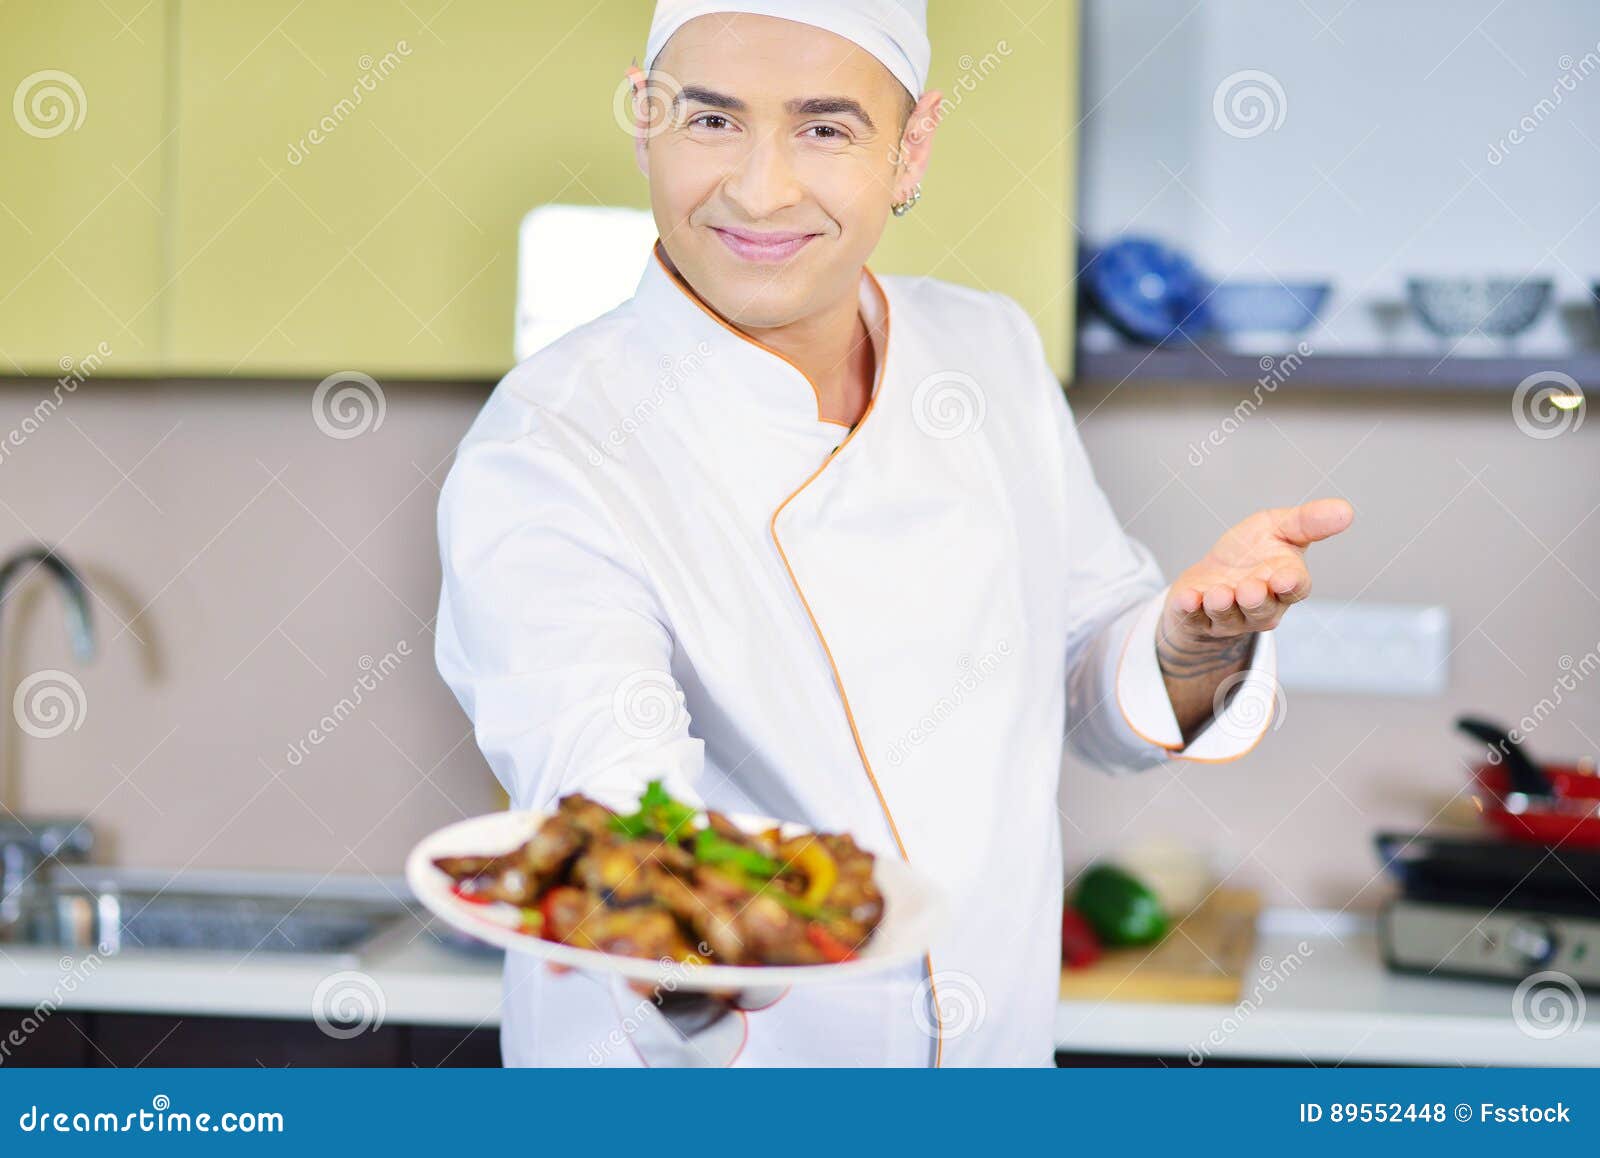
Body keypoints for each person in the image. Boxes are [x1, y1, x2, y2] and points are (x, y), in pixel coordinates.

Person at [434, 0, 1354, 1067]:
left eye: (824, 129)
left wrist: (1187, 648)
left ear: (909, 149)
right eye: (710, 120)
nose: (758, 188)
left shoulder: (987, 352)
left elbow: (1088, 677)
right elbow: (606, 782)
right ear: (643, 118)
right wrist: (685, 958)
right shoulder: (550, 442)